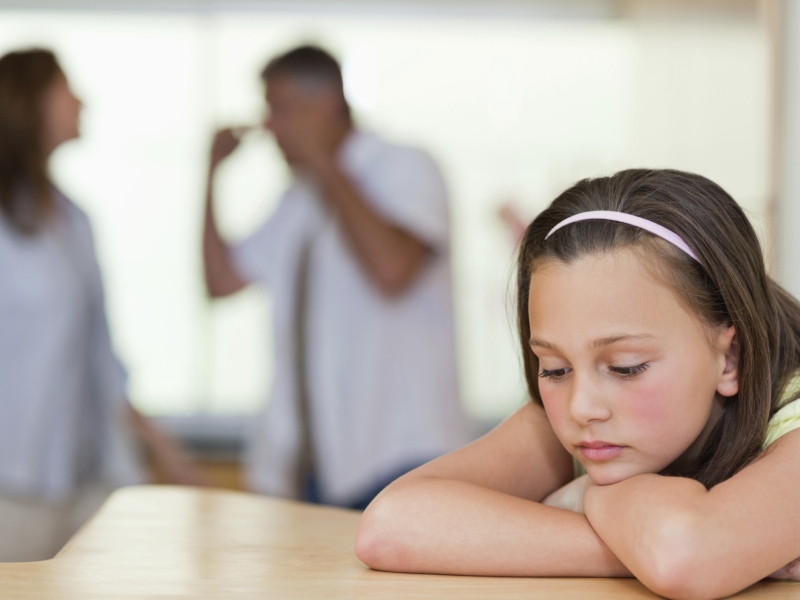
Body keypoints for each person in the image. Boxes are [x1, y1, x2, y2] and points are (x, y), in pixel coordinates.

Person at [356, 169, 800, 599]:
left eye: (626, 367)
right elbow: (391, 526)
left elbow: (684, 558)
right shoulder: (584, 420)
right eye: (553, 368)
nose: (581, 408)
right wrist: (627, 532)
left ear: (730, 359)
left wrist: (585, 499)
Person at [203, 45, 471, 509]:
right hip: (320, 471)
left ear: (325, 105)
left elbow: (391, 269)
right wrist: (210, 176)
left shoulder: (406, 166)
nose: (268, 128)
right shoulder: (298, 200)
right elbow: (221, 281)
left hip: (403, 458)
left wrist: (326, 162)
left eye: (279, 110)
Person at [0, 48, 208, 562]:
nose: (80, 100)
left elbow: (102, 362)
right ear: (29, 104)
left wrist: (168, 455)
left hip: (83, 483)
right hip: (11, 490)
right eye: (64, 87)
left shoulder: (74, 220)